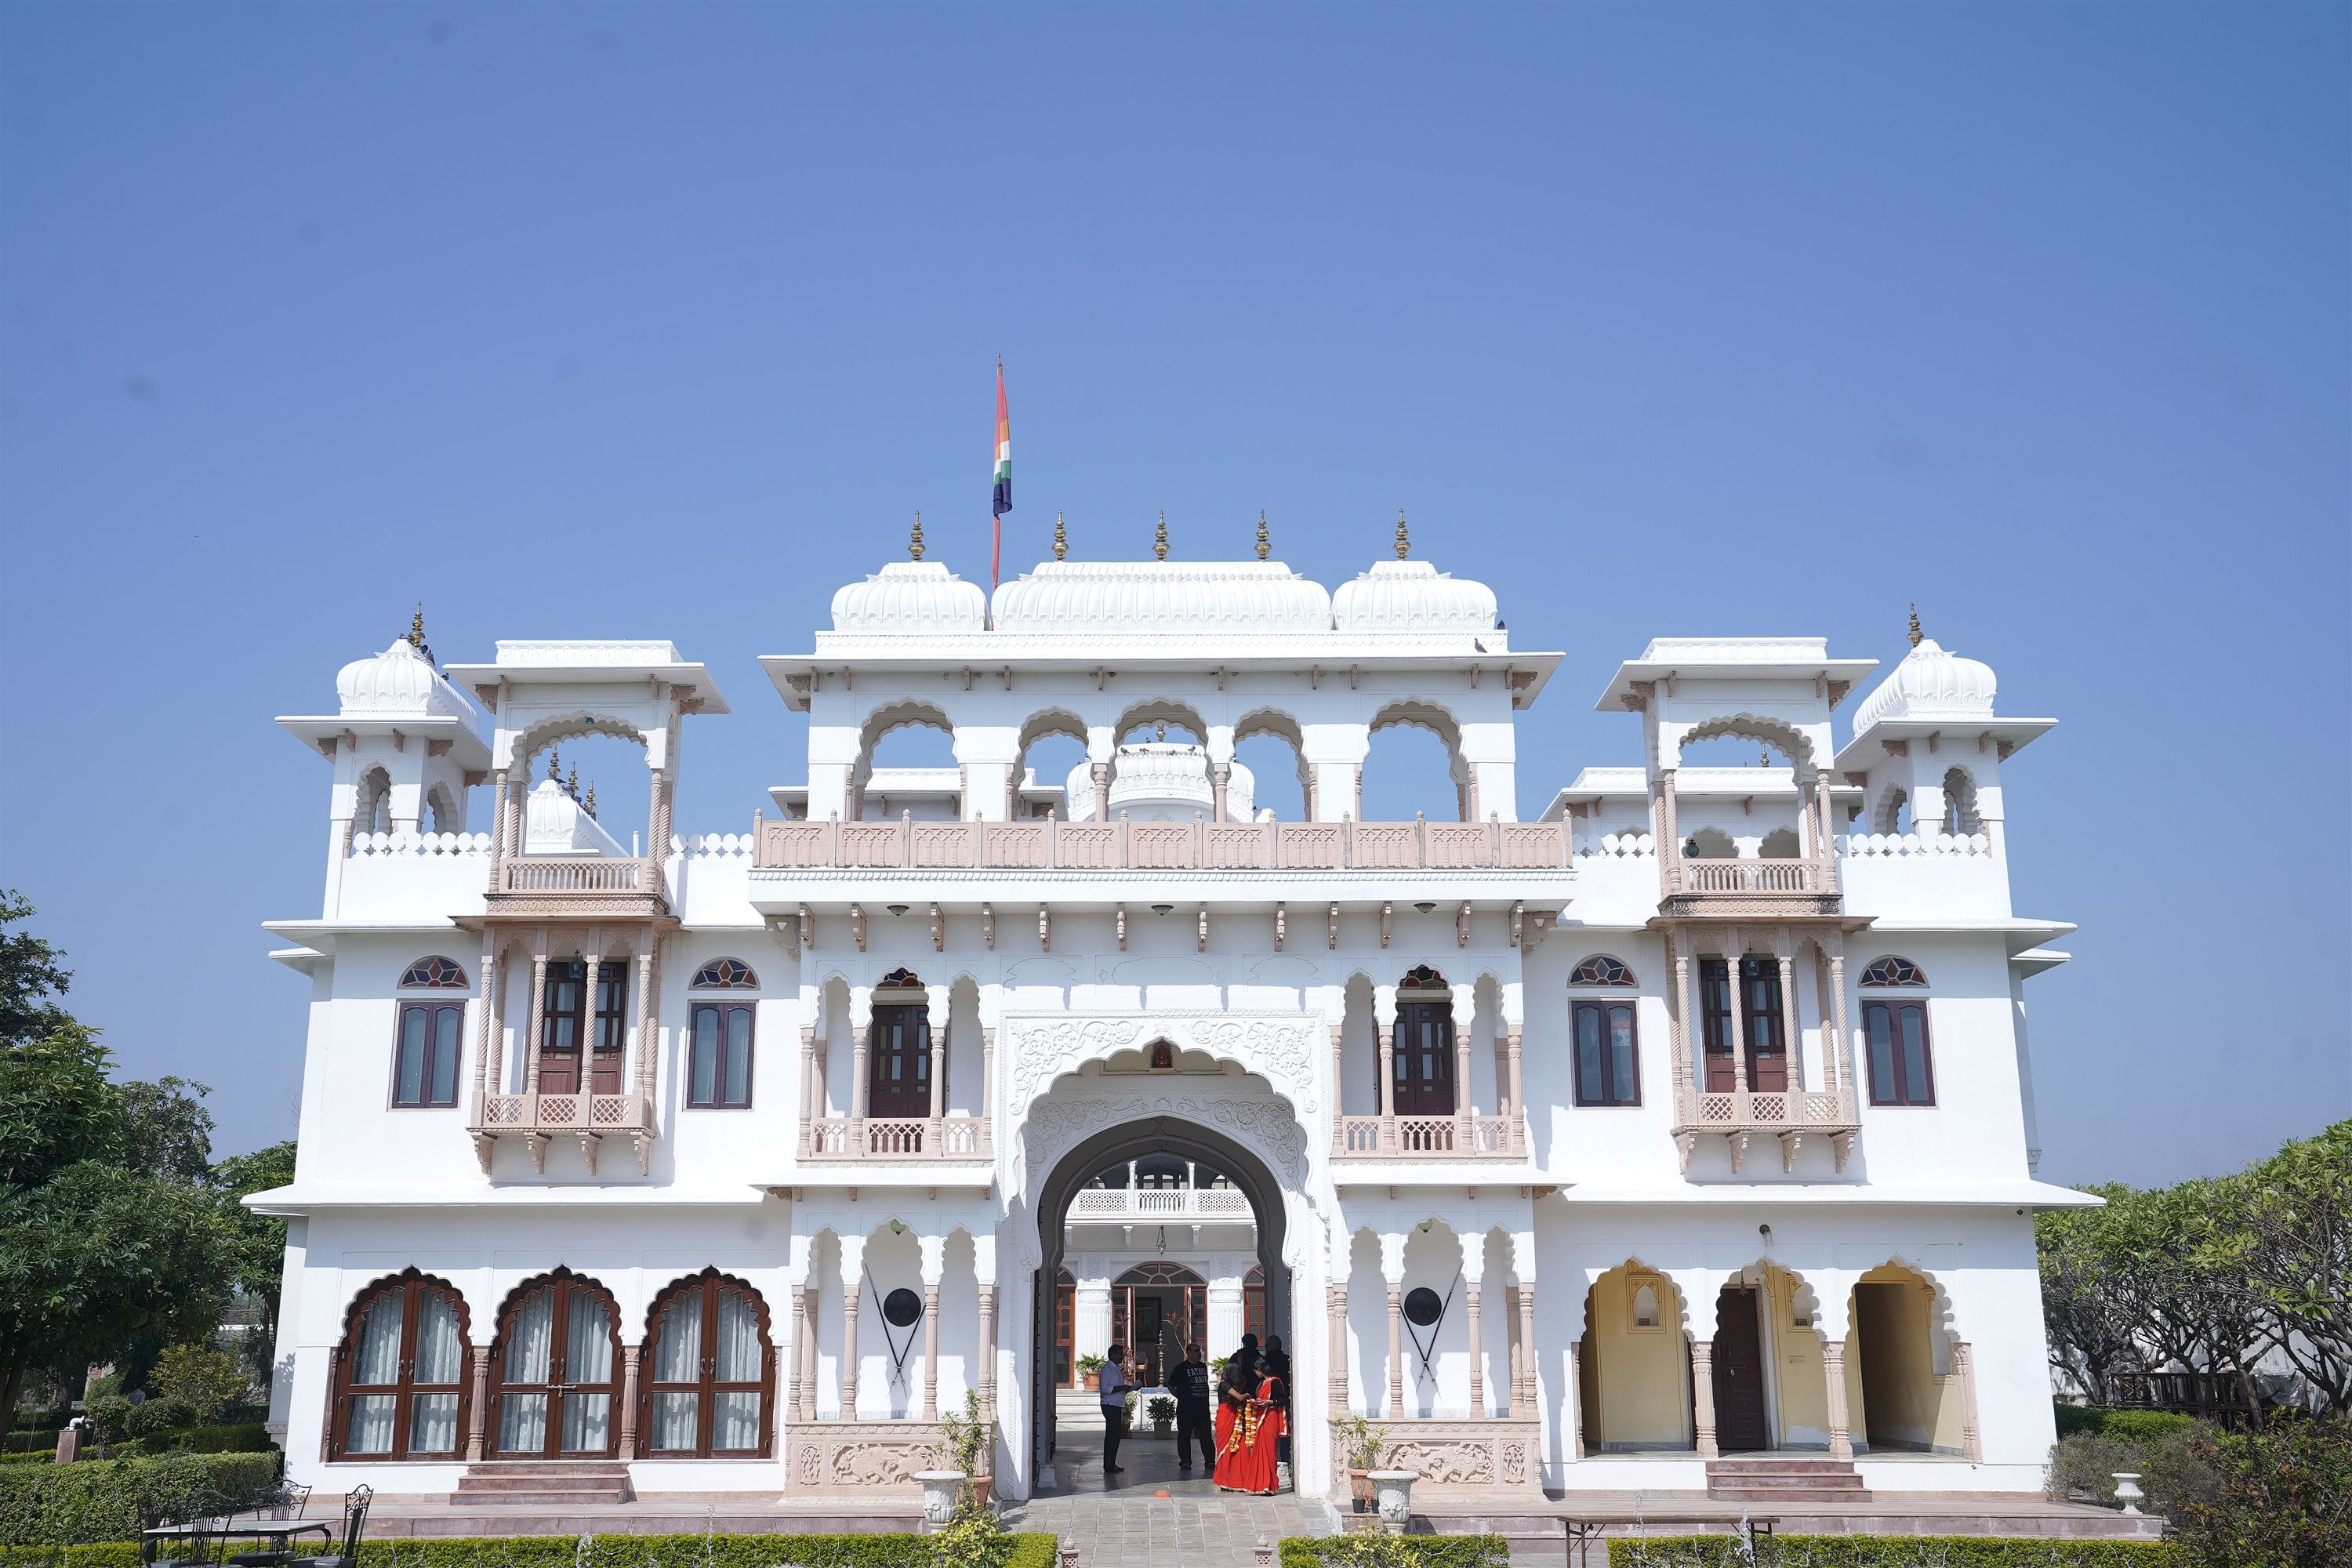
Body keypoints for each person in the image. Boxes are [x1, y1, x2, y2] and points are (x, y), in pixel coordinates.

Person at [1213, 1347, 1284, 1494]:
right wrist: (1249, 1397)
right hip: (1227, 1417)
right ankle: (1225, 1481)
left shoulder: (1272, 1382)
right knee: (1227, 1449)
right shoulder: (1224, 1384)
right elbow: (1239, 1398)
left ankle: (1239, 1481)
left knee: (1241, 1448)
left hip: (1236, 1415)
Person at [1172, 1341, 1215, 1472]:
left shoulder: (1203, 1367)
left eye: (1199, 1351)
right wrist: (1182, 1397)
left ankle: (1210, 1460)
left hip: (1202, 1408)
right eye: (1196, 1351)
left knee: (1206, 1436)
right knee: (1184, 1435)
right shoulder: (1180, 1368)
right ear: (1189, 1353)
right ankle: (1185, 1461)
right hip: (1186, 1409)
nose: (1198, 1354)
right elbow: (1171, 1385)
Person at [1261, 1334, 1294, 1468]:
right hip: (1287, 1399)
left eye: (1267, 1345)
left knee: (1273, 1434)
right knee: (1286, 1432)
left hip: (1272, 1404)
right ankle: (1286, 1461)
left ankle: (1271, 1462)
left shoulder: (1267, 1362)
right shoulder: (1287, 1360)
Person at [1098, 1344, 1130, 1477]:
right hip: (1109, 1404)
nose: (1122, 1356)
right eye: (1120, 1353)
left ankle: (1111, 1462)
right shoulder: (1107, 1370)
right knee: (1114, 1434)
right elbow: (1105, 1388)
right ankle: (1109, 1463)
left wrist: (1127, 1388)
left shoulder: (1116, 1369)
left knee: (1114, 1434)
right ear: (1112, 1355)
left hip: (1116, 1404)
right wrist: (1121, 1387)